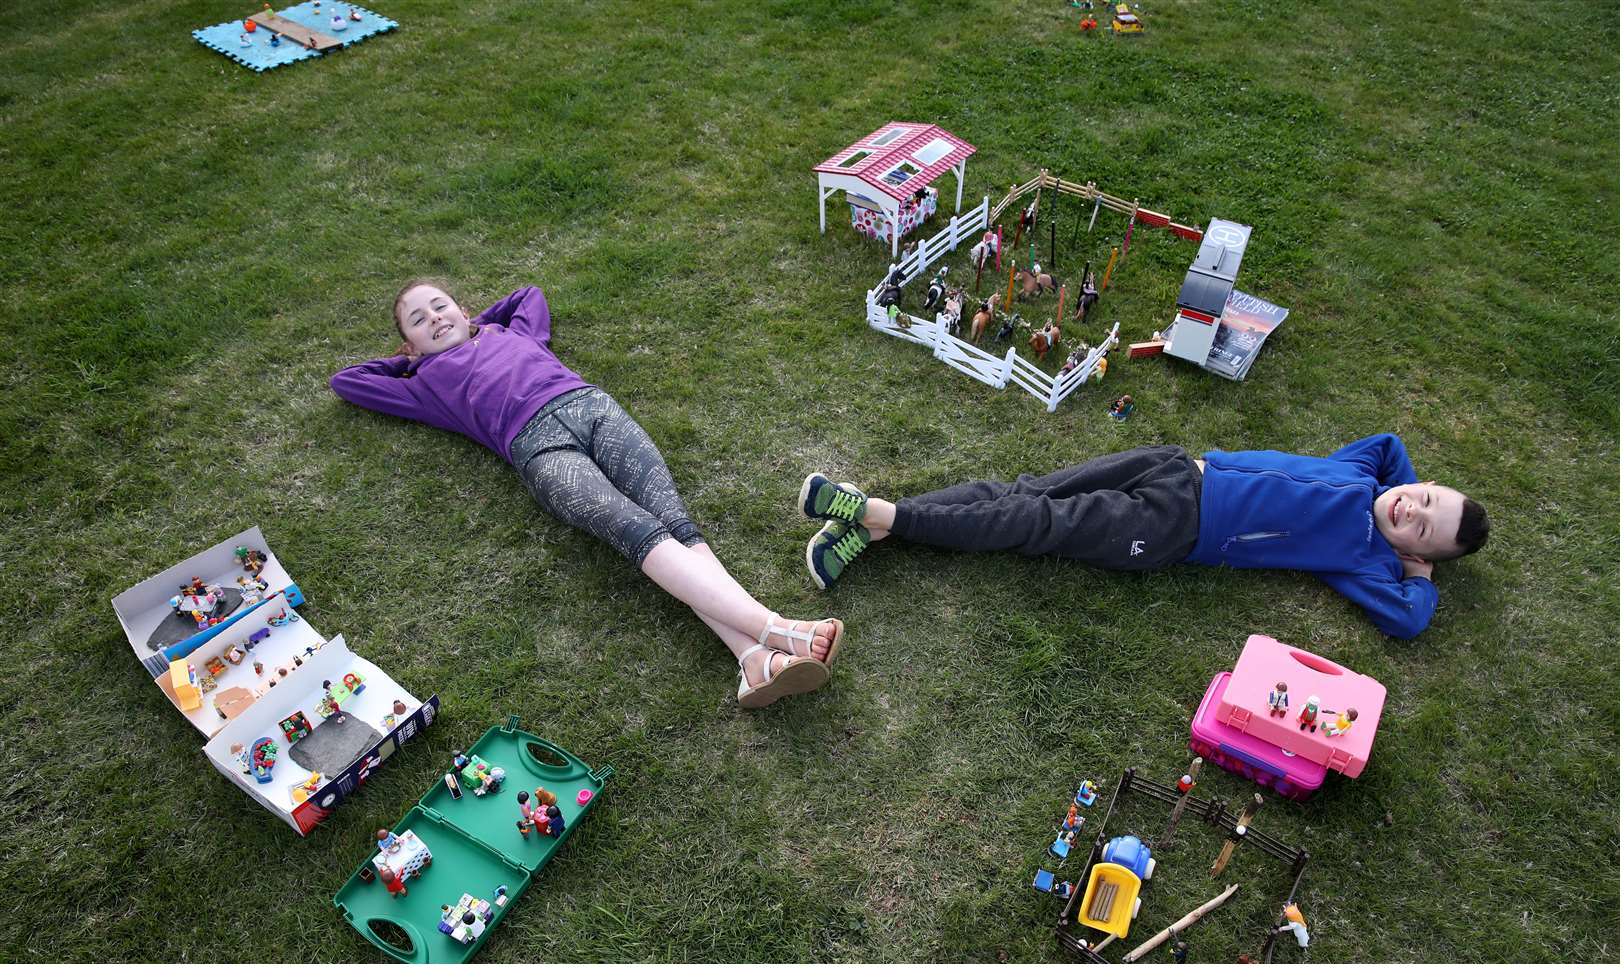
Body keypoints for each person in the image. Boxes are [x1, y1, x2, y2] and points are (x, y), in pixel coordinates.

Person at [331, 281, 843, 705]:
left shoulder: (513, 331)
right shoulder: (423, 383)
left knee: (675, 522)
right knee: (636, 528)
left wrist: (475, 326)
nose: (434, 318)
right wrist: (411, 359)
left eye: (440, 306)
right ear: (409, 345)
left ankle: (753, 660)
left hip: (592, 409)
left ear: (462, 308)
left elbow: (528, 293)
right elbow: (348, 380)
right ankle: (777, 629)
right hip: (539, 446)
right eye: (418, 321)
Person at [796, 434, 1488, 639]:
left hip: (1170, 530)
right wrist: (1419, 503)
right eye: (1424, 498)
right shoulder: (1367, 475)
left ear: (1418, 552)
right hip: (1173, 466)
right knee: (1028, 490)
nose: (1411, 508)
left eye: (1424, 528)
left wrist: (1419, 577)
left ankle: (885, 515)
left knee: (1035, 523)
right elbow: (1392, 445)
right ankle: (874, 527)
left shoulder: (1362, 556)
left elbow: (1406, 620)